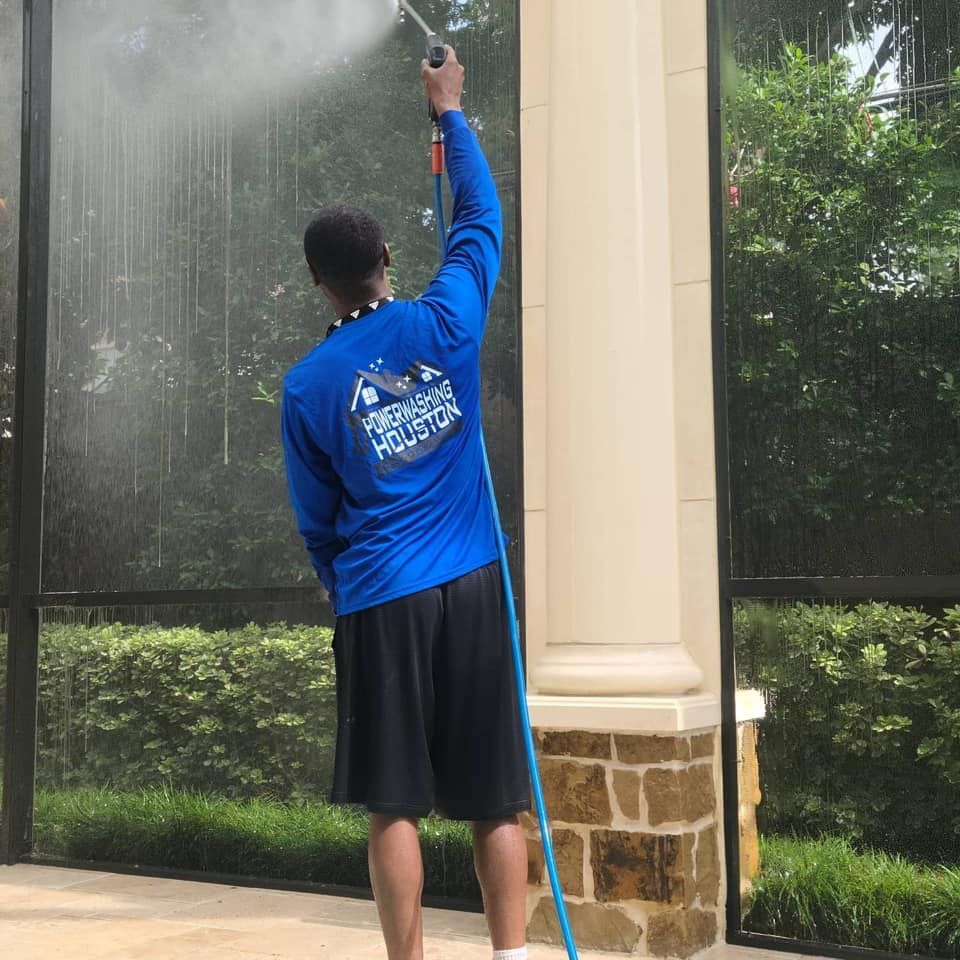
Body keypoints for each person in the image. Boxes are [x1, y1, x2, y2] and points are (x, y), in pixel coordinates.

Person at [281, 46, 530, 960]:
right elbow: (482, 217)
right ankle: (512, 954)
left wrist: (339, 584)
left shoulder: (309, 386)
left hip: (381, 596)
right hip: (473, 584)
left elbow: (317, 520)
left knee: (394, 803)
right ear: (387, 258)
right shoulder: (446, 320)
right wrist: (449, 112)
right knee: (496, 800)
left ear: (319, 283)